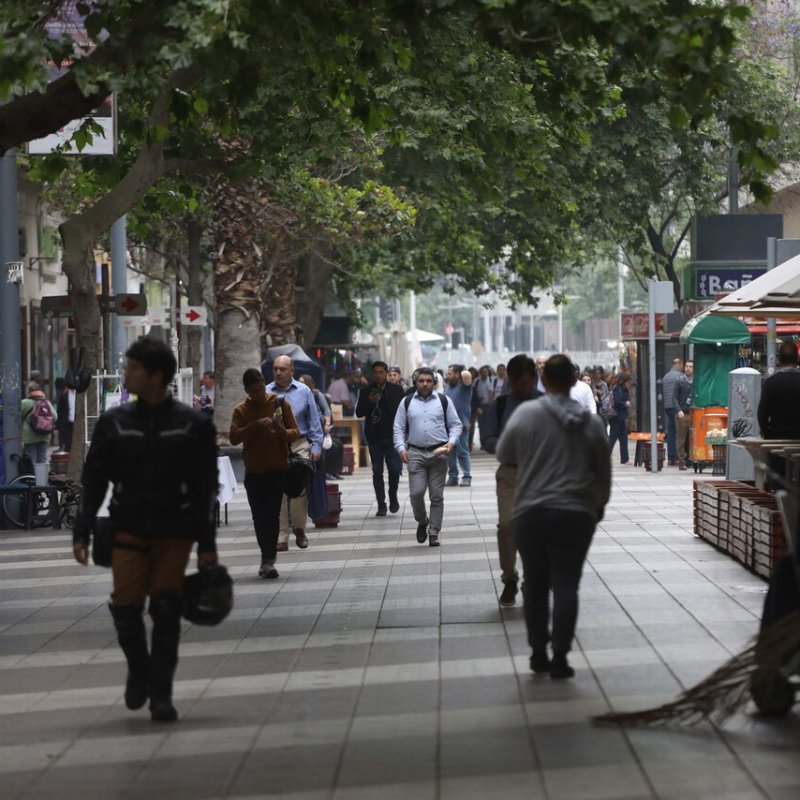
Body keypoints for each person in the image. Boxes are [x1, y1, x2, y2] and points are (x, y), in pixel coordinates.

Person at [72, 336, 218, 722]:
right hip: (128, 528)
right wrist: (82, 530)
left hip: (175, 531)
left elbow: (204, 489)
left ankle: (162, 694)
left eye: (133, 368)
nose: (126, 374)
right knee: (125, 607)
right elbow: (94, 479)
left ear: (155, 375)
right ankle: (140, 670)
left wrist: (207, 543)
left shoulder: (192, 425)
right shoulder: (114, 423)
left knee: (166, 609)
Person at [496, 354, 611, 680]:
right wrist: (598, 505)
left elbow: (504, 452)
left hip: (531, 511)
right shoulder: (592, 424)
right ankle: (560, 656)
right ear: (574, 380)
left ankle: (538, 652)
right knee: (566, 585)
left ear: (543, 380)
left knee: (535, 583)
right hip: (575, 513)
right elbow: (603, 472)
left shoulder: (527, 414)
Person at [481, 355, 542, 607]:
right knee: (507, 525)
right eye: (515, 382)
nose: (520, 388)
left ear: (534, 379)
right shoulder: (501, 404)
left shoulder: (547, 405)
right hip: (510, 473)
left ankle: (533, 580)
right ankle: (509, 579)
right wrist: (506, 445)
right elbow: (487, 439)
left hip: (540, 475)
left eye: (524, 383)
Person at [230, 368, 299, 579]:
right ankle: (266, 555)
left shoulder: (279, 404)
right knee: (259, 517)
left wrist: (281, 431)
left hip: (277, 469)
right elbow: (234, 437)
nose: (259, 394)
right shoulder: (241, 410)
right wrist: (254, 426)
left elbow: (295, 432)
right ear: (247, 391)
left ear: (263, 383)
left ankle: (268, 559)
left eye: (261, 389)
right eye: (254, 391)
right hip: (253, 471)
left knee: (272, 514)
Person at [393, 367, 462, 547]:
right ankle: (422, 520)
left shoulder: (444, 401)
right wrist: (400, 448)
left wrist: (451, 443)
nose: (425, 384)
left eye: (428, 381)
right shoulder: (406, 402)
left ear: (434, 383)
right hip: (415, 453)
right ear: (416, 382)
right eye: (421, 381)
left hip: (439, 453)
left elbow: (456, 425)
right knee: (416, 494)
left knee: (436, 496)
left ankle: (434, 532)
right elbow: (398, 427)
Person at [267, 355, 324, 551]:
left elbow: (314, 421)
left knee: (299, 488)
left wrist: (316, 446)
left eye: (282, 369)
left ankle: (299, 529)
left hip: (299, 444)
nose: (278, 372)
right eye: (275, 369)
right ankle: (281, 537)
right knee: (278, 492)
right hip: (275, 446)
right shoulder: (266, 392)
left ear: (292, 371)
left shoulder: (303, 391)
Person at [355, 361, 405, 516]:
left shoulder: (396, 390)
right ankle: (381, 504)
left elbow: (402, 411)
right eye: (375, 372)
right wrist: (370, 402)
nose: (378, 375)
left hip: (393, 437)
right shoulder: (366, 391)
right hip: (374, 437)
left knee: (394, 469)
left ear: (386, 373)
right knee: (377, 471)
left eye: (381, 372)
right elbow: (359, 412)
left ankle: (393, 495)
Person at [758, 343, 800, 440]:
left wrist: (768, 435)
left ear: (779, 359)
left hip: (776, 439)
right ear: (797, 359)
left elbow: (762, 414)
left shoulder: (770, 383)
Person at [444, 364, 473, 486]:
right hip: (448, 426)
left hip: (462, 425)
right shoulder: (447, 388)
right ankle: (453, 476)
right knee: (450, 454)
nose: (447, 376)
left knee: (462, 452)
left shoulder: (464, 387)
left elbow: (467, 375)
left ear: (457, 374)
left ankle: (466, 476)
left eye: (450, 373)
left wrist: (461, 370)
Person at [21, 383, 57, 466]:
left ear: (28, 392)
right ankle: (41, 475)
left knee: (31, 460)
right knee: (42, 460)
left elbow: (16, 419)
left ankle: (32, 474)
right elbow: (55, 417)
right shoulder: (46, 402)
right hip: (44, 435)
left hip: (29, 437)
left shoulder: (24, 403)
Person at [661, 358, 684, 466]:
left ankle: (671, 457)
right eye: (682, 365)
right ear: (678, 364)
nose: (682, 367)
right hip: (676, 407)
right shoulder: (680, 376)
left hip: (668, 407)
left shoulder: (666, 377)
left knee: (670, 432)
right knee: (679, 432)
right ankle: (677, 456)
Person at [607, 373, 633, 465]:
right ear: (624, 381)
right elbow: (617, 402)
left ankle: (625, 459)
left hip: (621, 418)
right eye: (628, 382)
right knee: (612, 438)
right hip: (616, 417)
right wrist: (625, 403)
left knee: (623, 439)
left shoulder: (624, 389)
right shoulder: (617, 389)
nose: (629, 384)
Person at [674, 360, 693, 470]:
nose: (688, 368)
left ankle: (691, 459)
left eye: (690, 367)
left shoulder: (696, 381)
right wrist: (678, 410)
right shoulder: (680, 381)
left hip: (693, 413)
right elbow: (674, 397)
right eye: (686, 366)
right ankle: (681, 460)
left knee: (692, 438)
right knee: (681, 439)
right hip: (683, 413)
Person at [474, 365, 498, 450]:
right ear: (480, 373)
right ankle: (482, 443)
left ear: (488, 373)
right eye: (482, 372)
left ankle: (489, 443)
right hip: (480, 406)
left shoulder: (492, 380)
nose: (484, 373)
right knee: (481, 425)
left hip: (489, 406)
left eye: (485, 372)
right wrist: (477, 406)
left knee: (490, 425)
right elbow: (475, 394)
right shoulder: (477, 381)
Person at [54, 376, 75, 452]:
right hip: (66, 424)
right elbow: (59, 411)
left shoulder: (78, 395)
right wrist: (57, 426)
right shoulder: (63, 396)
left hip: (75, 423)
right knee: (67, 444)